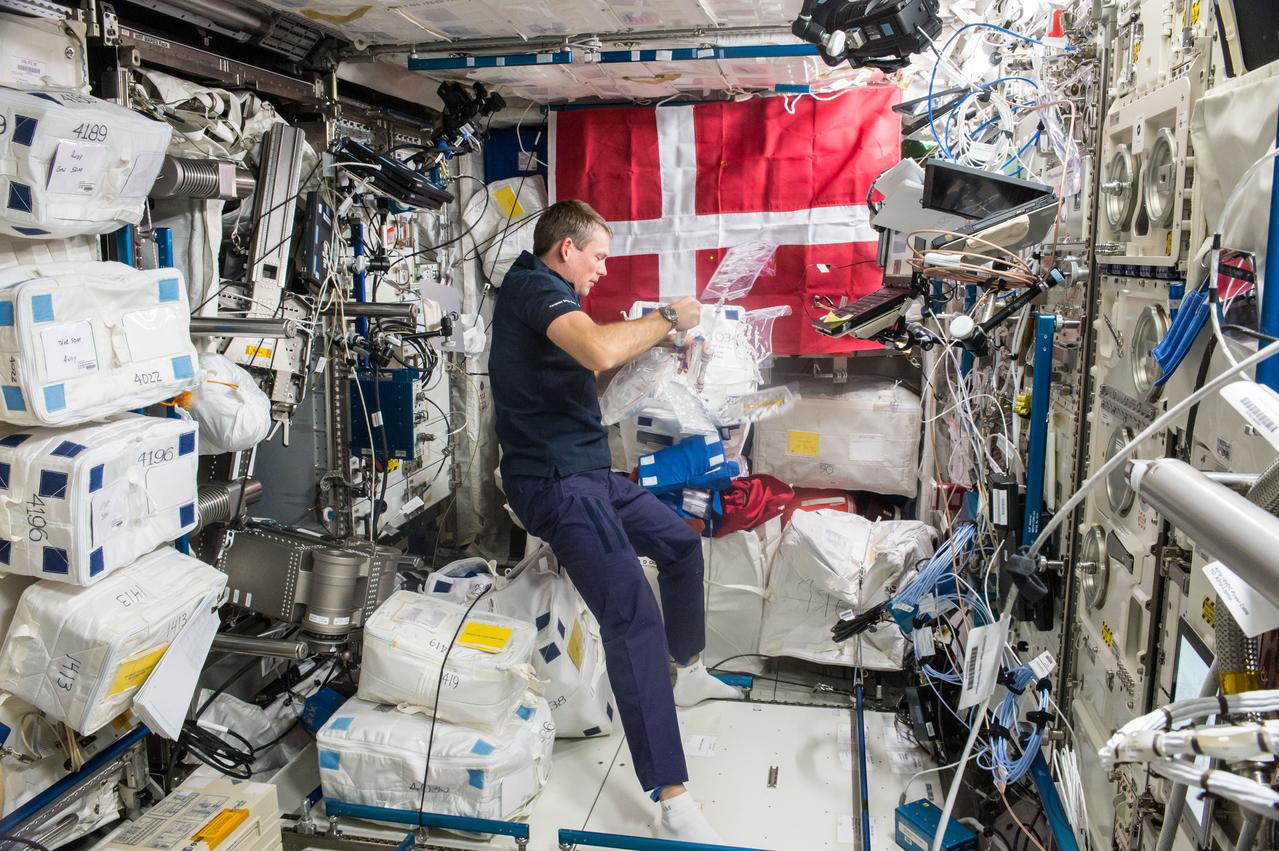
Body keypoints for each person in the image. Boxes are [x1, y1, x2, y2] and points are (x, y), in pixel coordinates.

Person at [490, 200, 740, 843]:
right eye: (597, 255)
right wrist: (663, 319)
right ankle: (672, 796)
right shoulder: (531, 287)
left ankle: (686, 672)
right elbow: (599, 351)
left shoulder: (553, 297)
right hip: (555, 484)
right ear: (566, 248)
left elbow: (595, 381)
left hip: (590, 473)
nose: (603, 269)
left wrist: (659, 354)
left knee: (681, 547)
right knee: (631, 615)